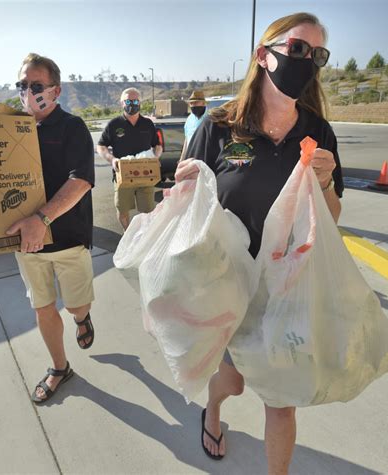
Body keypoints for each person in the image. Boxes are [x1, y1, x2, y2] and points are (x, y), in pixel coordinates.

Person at [175, 13, 343, 474]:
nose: (307, 61)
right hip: (227, 282)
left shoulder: (317, 132)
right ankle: (212, 409)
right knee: (232, 380)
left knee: (281, 401)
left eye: (318, 55)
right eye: (298, 49)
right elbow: (186, 198)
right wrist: (183, 188)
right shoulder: (220, 125)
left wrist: (326, 185)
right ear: (262, 55)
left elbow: (331, 217)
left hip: (285, 286)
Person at [6, 53, 96, 404]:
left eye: (36, 85)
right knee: (43, 308)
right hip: (27, 245)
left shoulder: (73, 128)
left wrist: (41, 220)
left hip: (69, 240)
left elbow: (82, 181)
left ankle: (82, 318)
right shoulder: (12, 130)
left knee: (75, 305)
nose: (28, 92)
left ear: (55, 91)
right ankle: (60, 367)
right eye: (22, 85)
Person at [97, 88, 163, 230]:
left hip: (145, 176)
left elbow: (158, 145)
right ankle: (127, 235)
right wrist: (112, 159)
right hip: (123, 175)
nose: (131, 104)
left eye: (135, 101)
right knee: (122, 210)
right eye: (128, 101)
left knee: (148, 212)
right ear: (122, 103)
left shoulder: (148, 124)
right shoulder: (114, 124)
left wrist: (155, 157)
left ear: (140, 103)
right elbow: (101, 146)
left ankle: (145, 237)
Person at [179, 90, 208, 161]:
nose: (194, 105)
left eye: (196, 102)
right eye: (191, 103)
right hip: (191, 158)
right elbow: (186, 140)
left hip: (207, 159)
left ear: (203, 103)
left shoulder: (211, 118)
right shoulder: (189, 119)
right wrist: (181, 160)